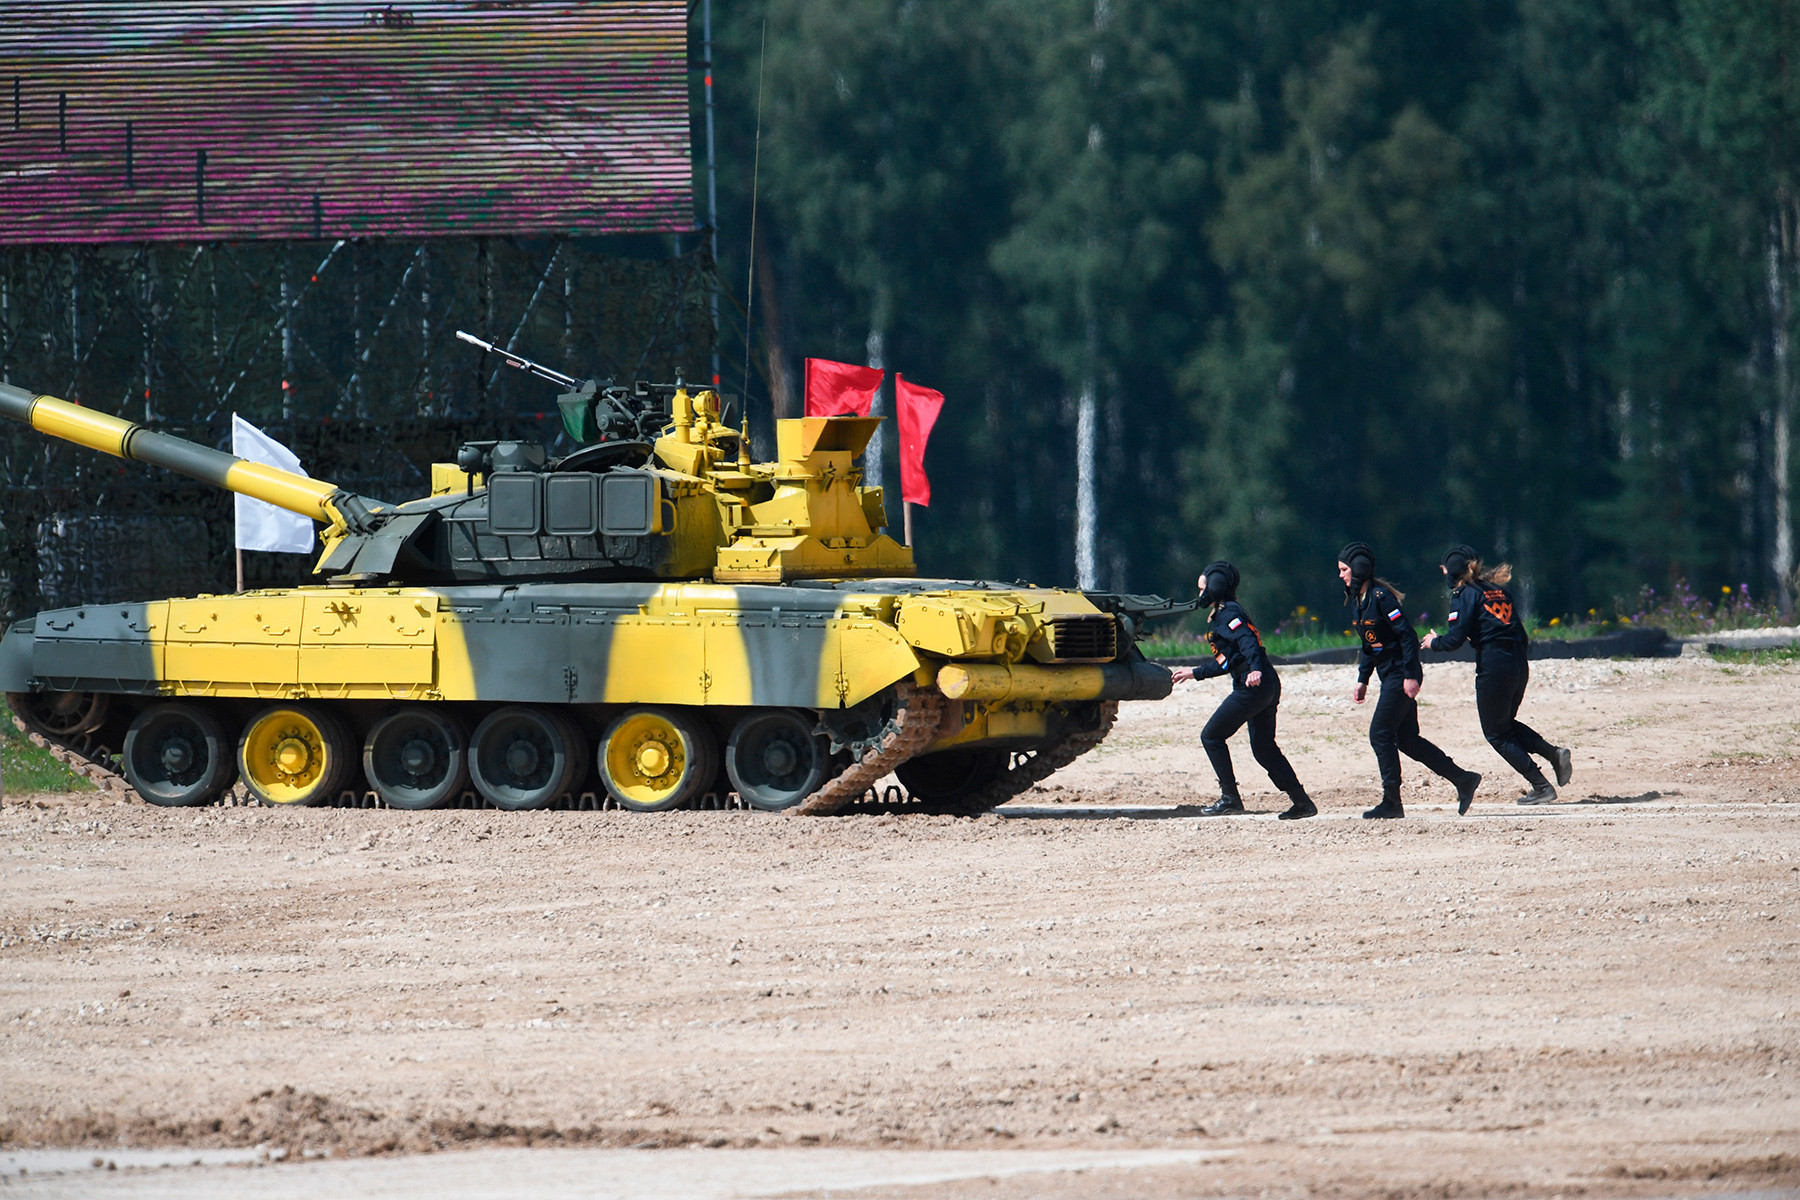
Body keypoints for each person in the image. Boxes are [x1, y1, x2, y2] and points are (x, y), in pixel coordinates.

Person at [1420, 544, 1573, 804]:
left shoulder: (1464, 594)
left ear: (1453, 571)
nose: (1443, 572)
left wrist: (1434, 642)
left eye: (1444, 567)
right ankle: (1553, 753)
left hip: (1494, 666)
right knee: (1504, 725)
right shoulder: (1499, 591)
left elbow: (1455, 640)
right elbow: (1517, 631)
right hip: (1518, 663)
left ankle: (1541, 785)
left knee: (1496, 733)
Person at [1338, 543, 1483, 819]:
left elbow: (1407, 636)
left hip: (1400, 676)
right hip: (1387, 675)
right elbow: (1370, 646)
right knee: (1406, 739)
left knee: (1380, 734)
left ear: (1357, 570)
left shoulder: (1381, 598)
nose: (1341, 576)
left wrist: (1411, 675)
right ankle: (1463, 779)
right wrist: (1362, 679)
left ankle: (1392, 801)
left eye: (1344, 570)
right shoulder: (1359, 602)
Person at [1169, 560, 1316, 819]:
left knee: (1211, 736)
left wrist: (1255, 668)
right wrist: (1195, 673)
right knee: (1264, 748)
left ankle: (1230, 798)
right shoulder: (1224, 612)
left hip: (1254, 684)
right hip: (1263, 682)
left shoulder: (1228, 613)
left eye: (1202, 589)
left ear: (1214, 588)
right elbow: (1227, 661)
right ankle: (1302, 803)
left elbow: (1248, 641)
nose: (1200, 595)